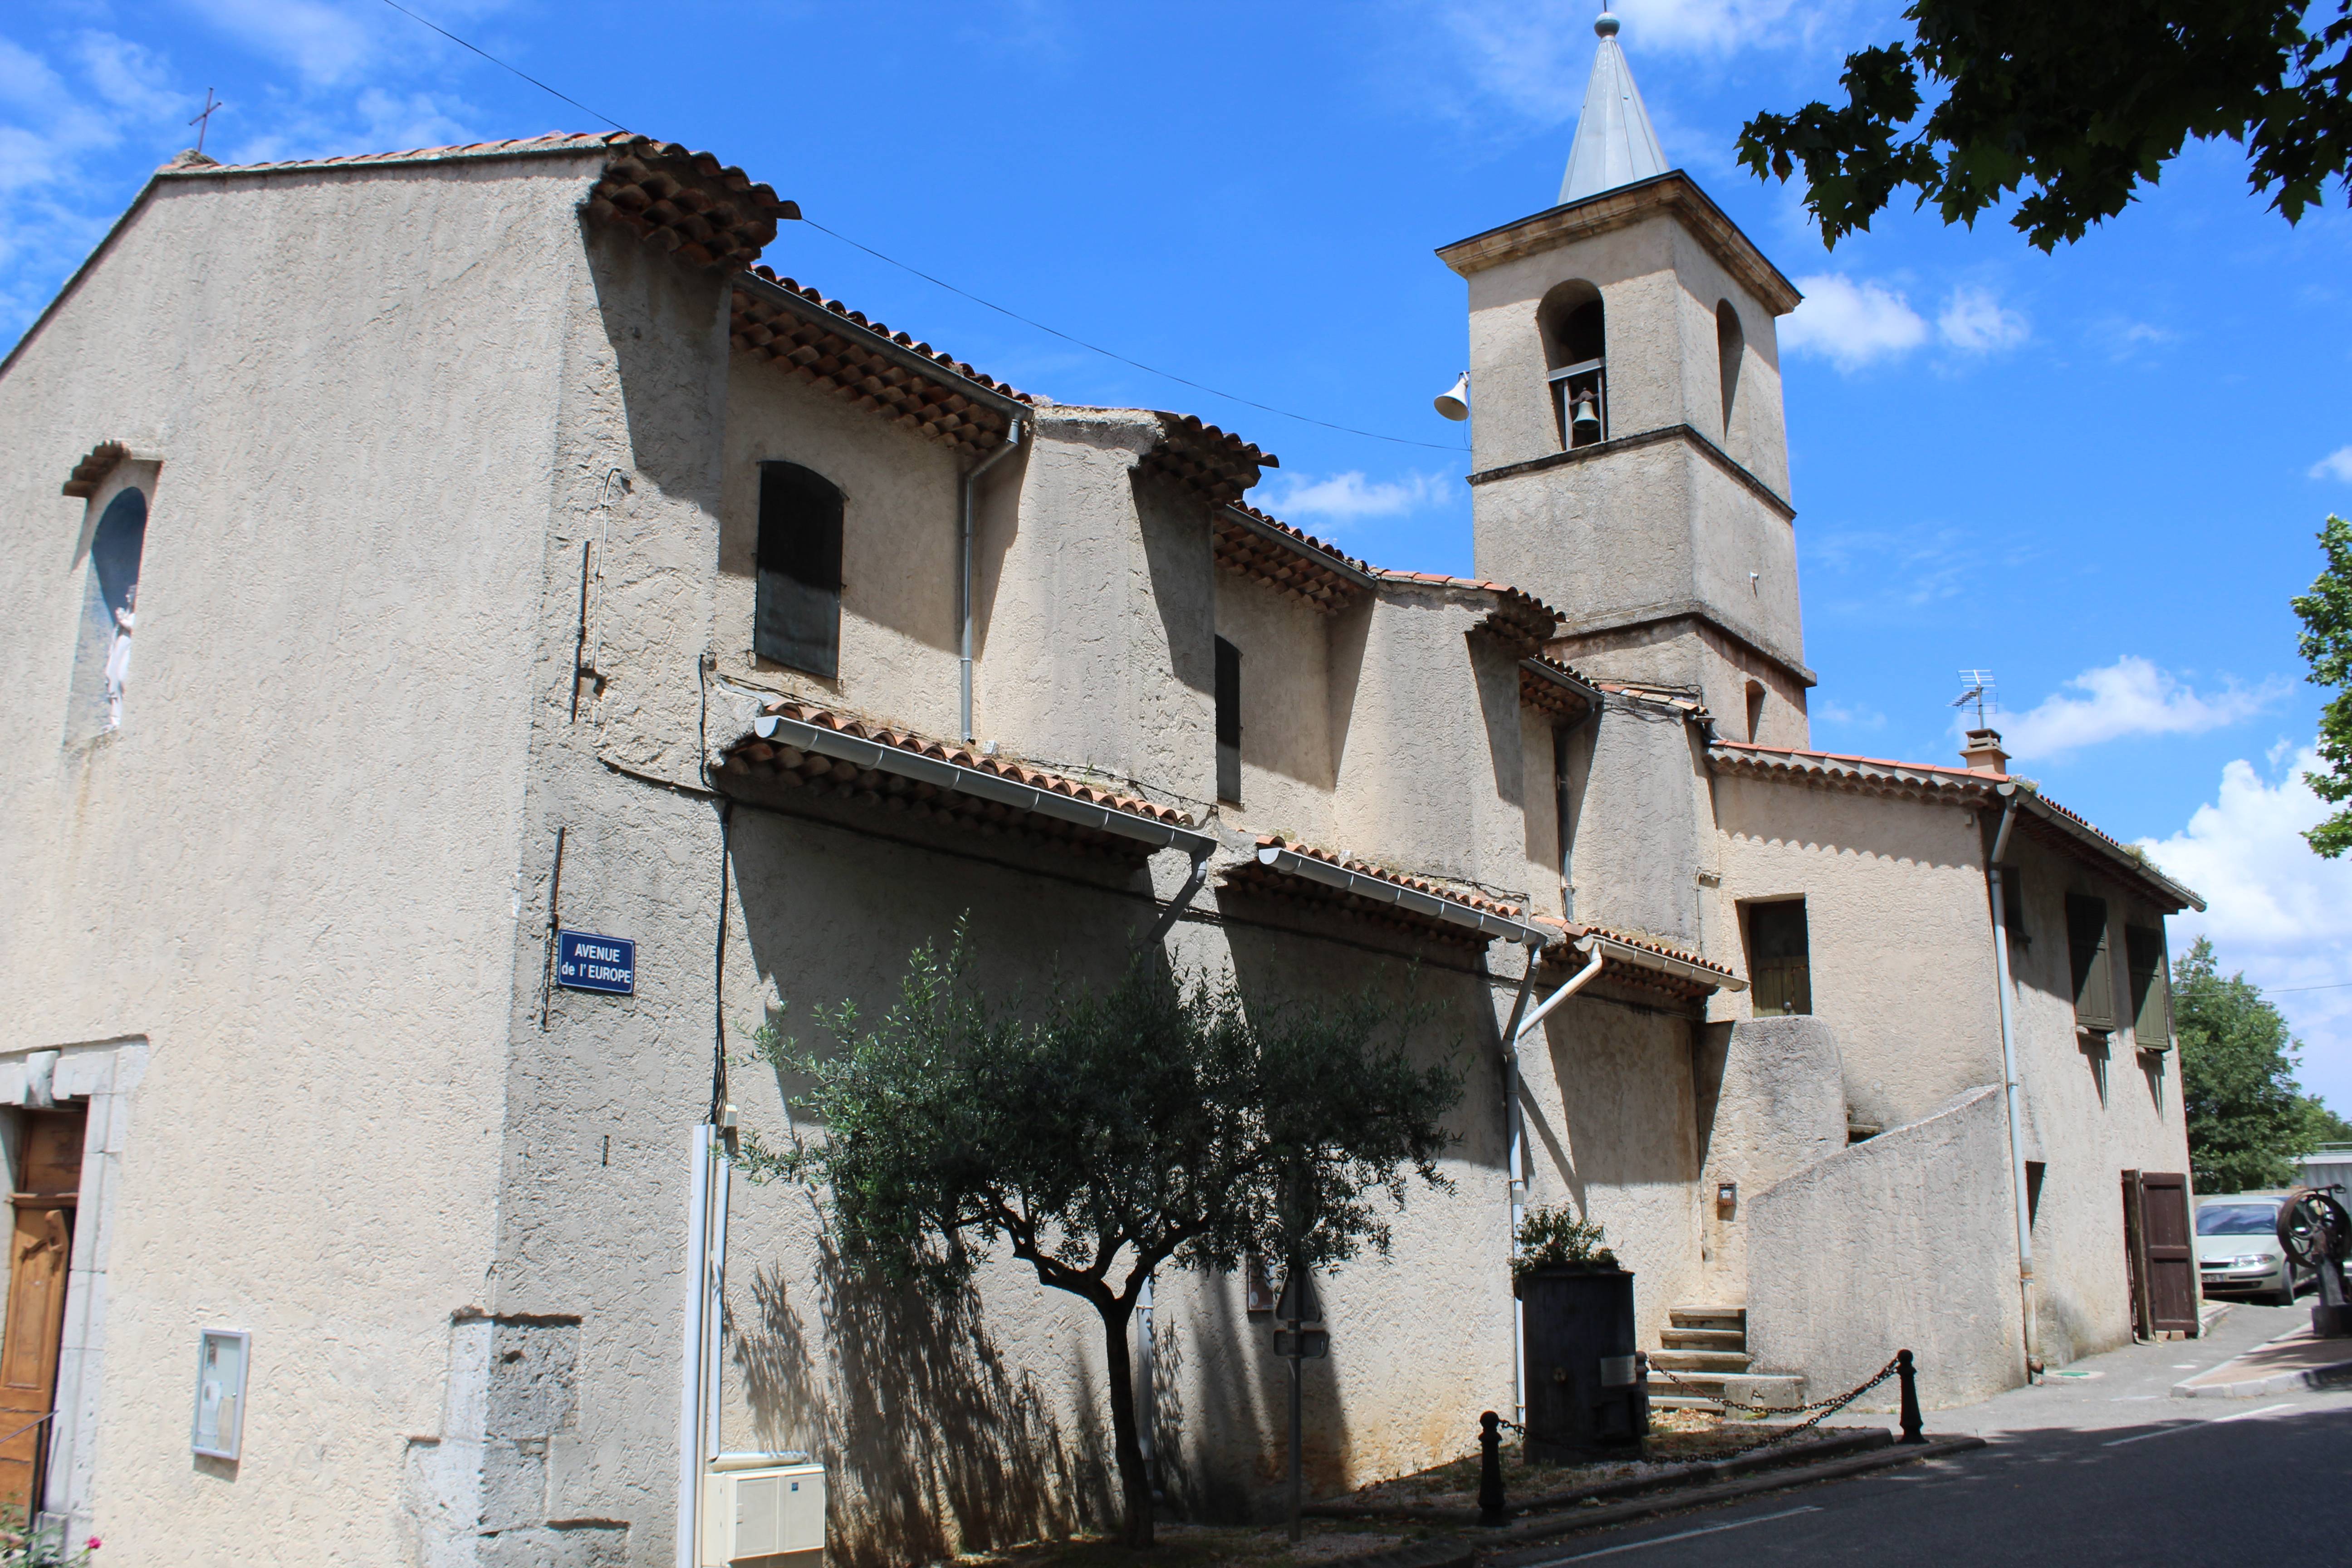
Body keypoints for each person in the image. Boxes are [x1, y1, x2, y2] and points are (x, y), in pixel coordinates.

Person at [105, 581, 135, 728]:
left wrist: (123, 620)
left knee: (123, 677)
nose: (127, 596)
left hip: (127, 648)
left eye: (131, 594)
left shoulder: (135, 615)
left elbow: (134, 627)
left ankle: (122, 717)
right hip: (119, 649)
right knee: (113, 679)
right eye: (128, 594)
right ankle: (115, 719)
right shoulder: (128, 614)